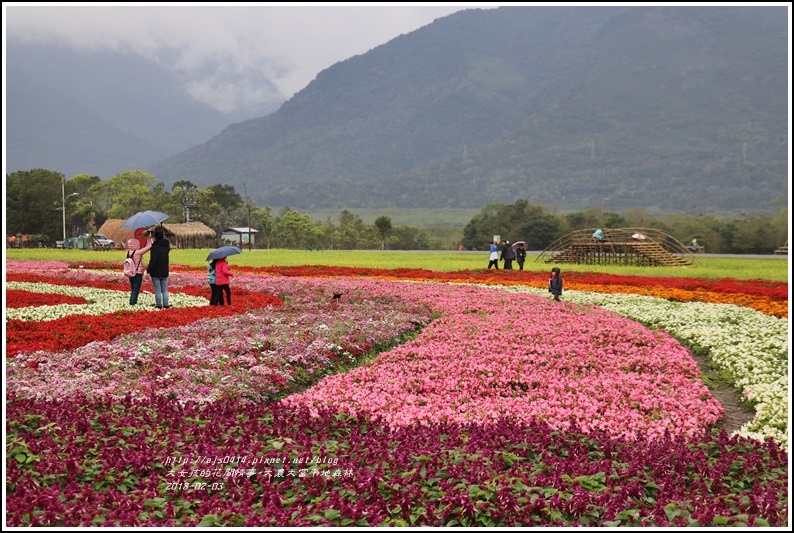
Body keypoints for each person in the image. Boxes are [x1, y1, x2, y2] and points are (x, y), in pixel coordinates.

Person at [146, 228, 171, 309]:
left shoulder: (155, 247)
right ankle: (166, 304)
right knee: (164, 290)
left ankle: (159, 305)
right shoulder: (166, 246)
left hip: (156, 271)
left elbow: (153, 260)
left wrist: (149, 270)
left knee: (157, 290)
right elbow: (166, 243)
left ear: (155, 237)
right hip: (164, 270)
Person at [125, 236, 153, 305]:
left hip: (130, 274)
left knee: (133, 289)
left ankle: (131, 302)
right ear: (136, 245)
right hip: (138, 273)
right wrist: (149, 238)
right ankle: (133, 304)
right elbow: (149, 246)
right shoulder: (138, 252)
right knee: (136, 290)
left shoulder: (128, 252)